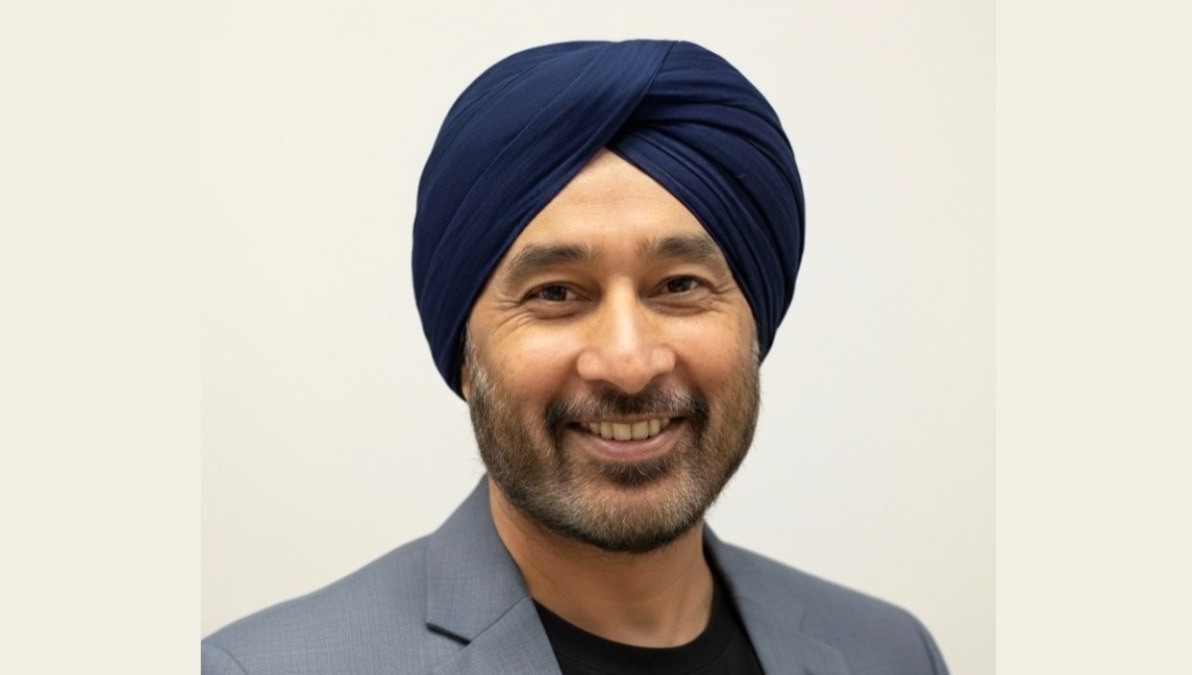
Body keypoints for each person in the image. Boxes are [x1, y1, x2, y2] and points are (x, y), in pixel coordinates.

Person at [202, 40, 949, 675]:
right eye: (556, 293)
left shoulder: (891, 652)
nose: (628, 362)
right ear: (465, 355)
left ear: (753, 323)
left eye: (679, 286)